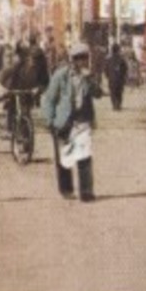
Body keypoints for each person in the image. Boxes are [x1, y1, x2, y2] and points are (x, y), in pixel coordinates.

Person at [41, 42, 101, 201]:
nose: (82, 61)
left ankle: (86, 191)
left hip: (83, 120)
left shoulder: (88, 76)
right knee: (65, 157)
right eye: (79, 58)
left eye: (85, 58)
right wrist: (50, 120)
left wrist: (90, 80)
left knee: (85, 155)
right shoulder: (61, 75)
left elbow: (98, 94)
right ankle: (66, 189)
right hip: (64, 121)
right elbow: (49, 99)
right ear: (72, 60)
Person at [103, 42, 130, 112]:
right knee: (119, 92)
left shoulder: (108, 59)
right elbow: (125, 69)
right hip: (120, 79)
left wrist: (108, 76)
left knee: (112, 92)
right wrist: (123, 76)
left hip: (111, 79)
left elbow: (105, 69)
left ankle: (114, 104)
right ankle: (118, 104)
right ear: (118, 50)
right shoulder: (122, 59)